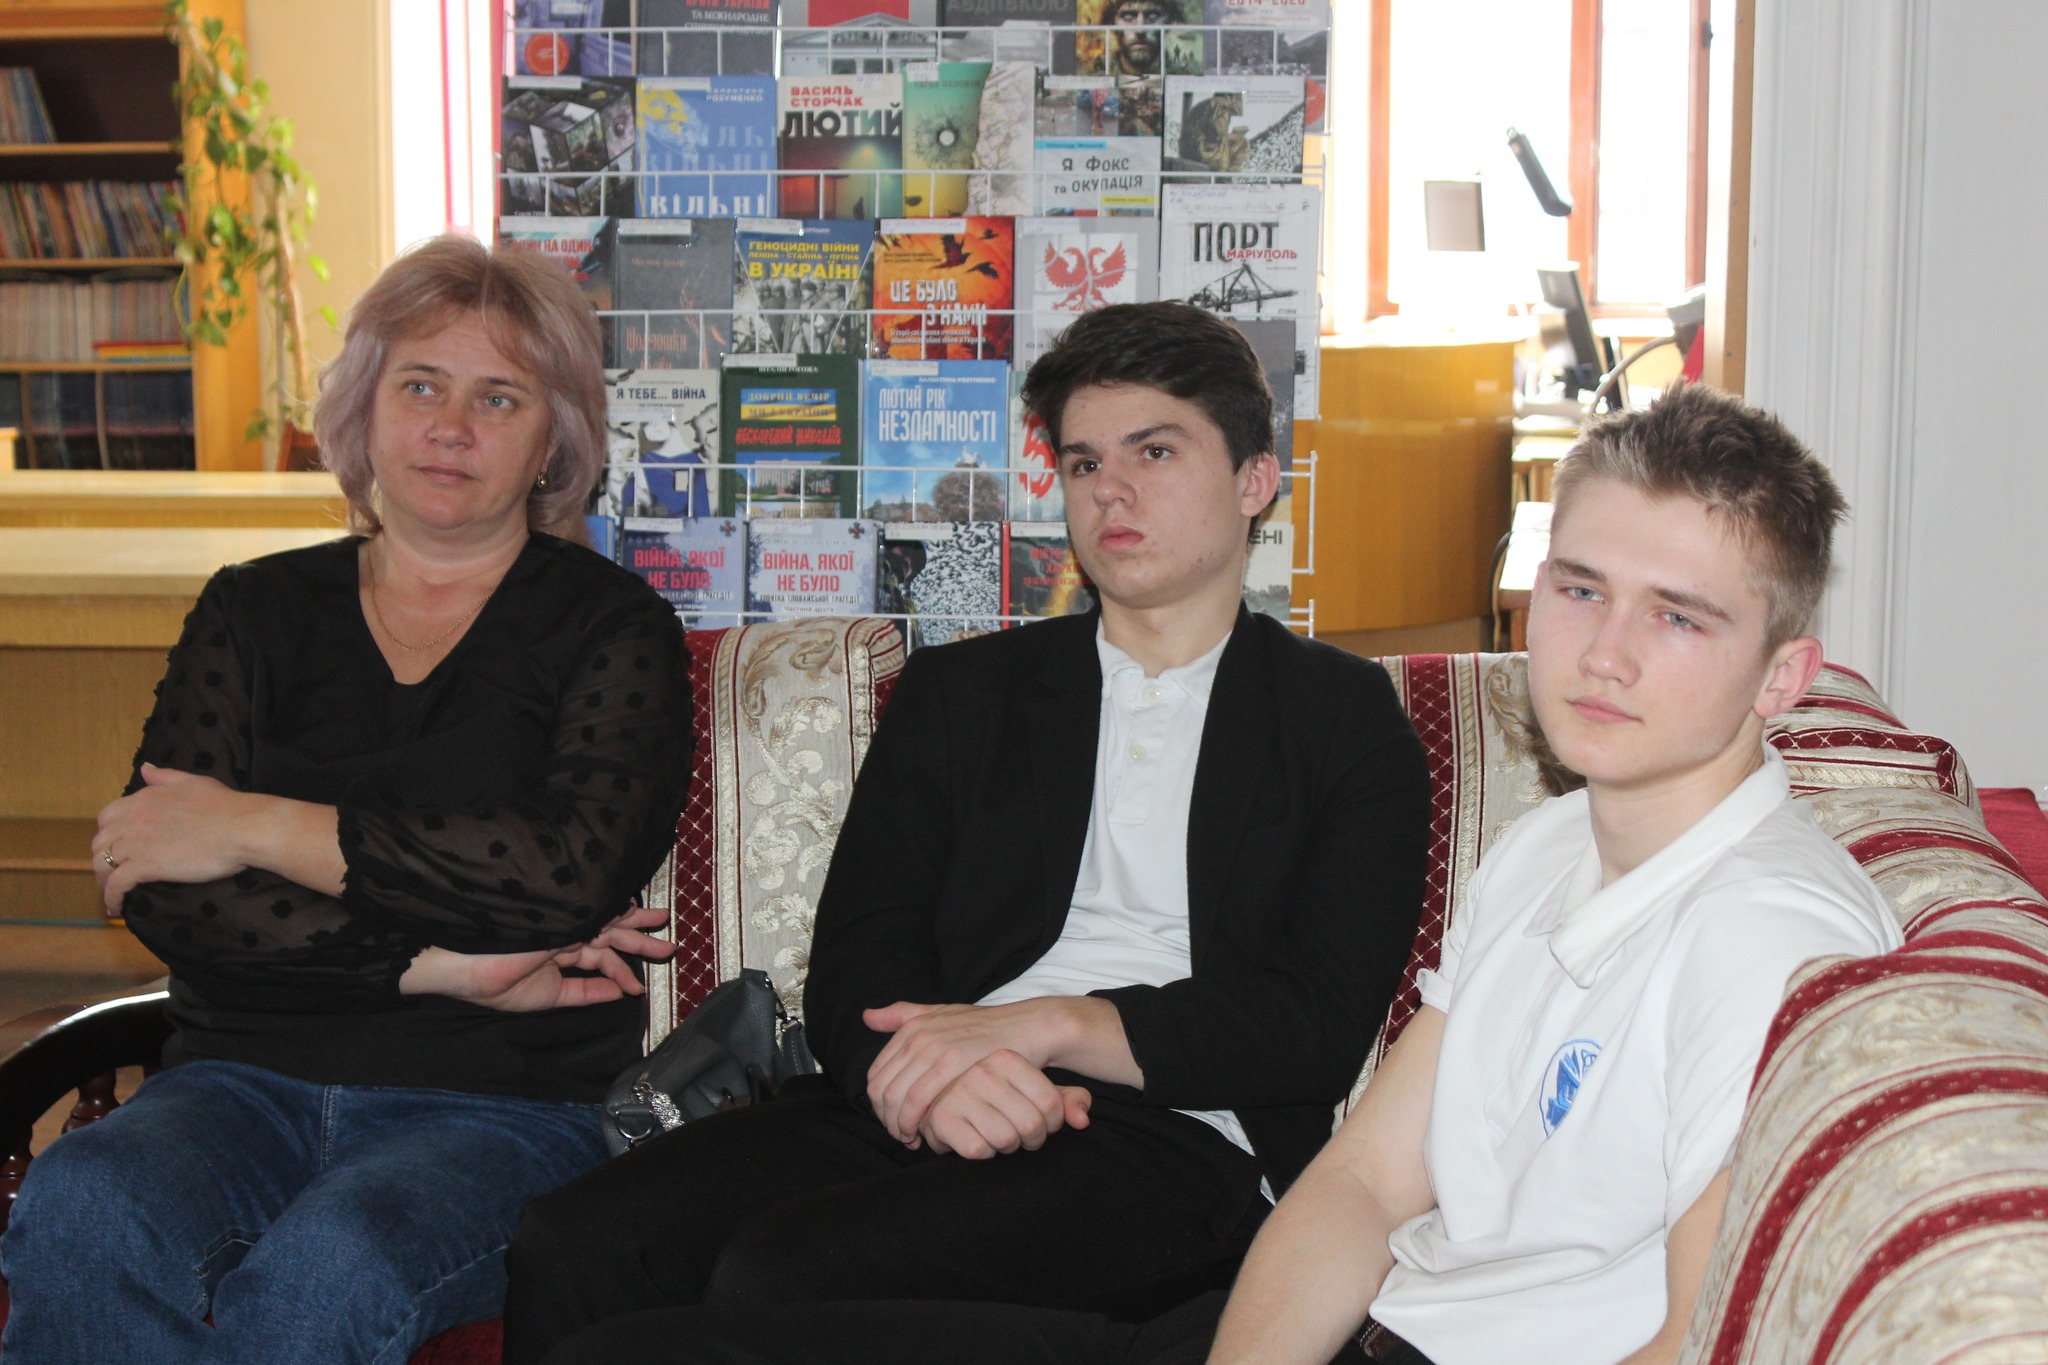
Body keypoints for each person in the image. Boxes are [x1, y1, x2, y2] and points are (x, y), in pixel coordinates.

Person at [515, 383, 1908, 1365]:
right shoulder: (1549, 846)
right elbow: (1366, 1179)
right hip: (1334, 1321)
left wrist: (1055, 1033)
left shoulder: (1767, 939)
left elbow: (1704, 1337)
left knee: (765, 1298)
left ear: (1783, 674)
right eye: (1580, 587)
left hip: (1297, 1252)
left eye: (1680, 618)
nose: (1603, 653)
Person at [501, 301, 1433, 1364]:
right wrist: (938, 1077)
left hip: (1176, 1133)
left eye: (1155, 451)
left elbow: (1310, 1021)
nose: (1111, 489)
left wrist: (1046, 1028)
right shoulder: (966, 693)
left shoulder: (1340, 718)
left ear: (1255, 479)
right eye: (1083, 463)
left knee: (790, 1272)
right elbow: (859, 956)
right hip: (929, 1089)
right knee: (576, 1241)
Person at [0, 235, 693, 1365]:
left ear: (552, 443)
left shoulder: (613, 629)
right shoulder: (251, 611)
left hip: (503, 1108)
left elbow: (559, 876)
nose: (450, 426)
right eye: (419, 385)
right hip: (236, 1084)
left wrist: (251, 826)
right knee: (84, 1202)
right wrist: (442, 966)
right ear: (364, 408)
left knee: (327, 1265)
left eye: (498, 397)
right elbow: (167, 894)